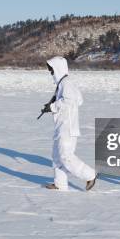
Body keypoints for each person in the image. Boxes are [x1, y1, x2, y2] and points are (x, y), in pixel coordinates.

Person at [40, 56, 98, 191]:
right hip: (61, 125)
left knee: (66, 156)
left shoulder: (66, 83)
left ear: (58, 69)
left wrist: (53, 107)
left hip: (67, 127)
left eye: (52, 70)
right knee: (57, 156)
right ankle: (60, 184)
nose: (51, 73)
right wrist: (52, 107)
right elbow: (79, 99)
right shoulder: (64, 83)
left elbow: (70, 100)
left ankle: (90, 175)